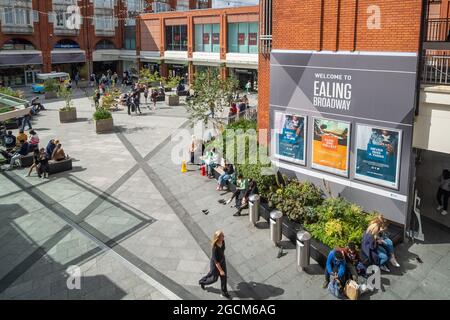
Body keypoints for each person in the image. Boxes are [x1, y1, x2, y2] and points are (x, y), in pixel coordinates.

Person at [198, 230, 230, 299]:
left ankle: (224, 292)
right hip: (215, 265)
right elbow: (216, 262)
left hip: (222, 262)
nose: (224, 236)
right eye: (222, 236)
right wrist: (221, 271)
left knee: (224, 278)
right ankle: (202, 282)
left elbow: (223, 250)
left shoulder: (223, 241)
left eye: (223, 235)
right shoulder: (215, 248)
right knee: (213, 278)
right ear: (218, 237)